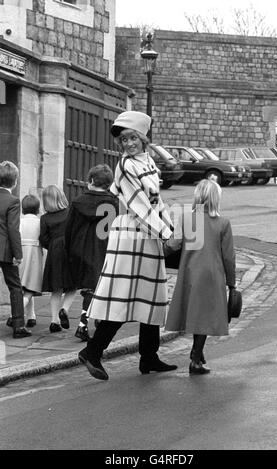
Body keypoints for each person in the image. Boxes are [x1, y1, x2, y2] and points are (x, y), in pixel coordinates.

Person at [79, 110, 177, 380]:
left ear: (143, 139)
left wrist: (170, 228)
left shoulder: (148, 163)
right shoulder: (125, 166)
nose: (128, 144)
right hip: (132, 234)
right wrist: (165, 233)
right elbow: (140, 205)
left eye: (132, 138)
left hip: (148, 235)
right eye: (124, 140)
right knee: (124, 296)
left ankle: (149, 356)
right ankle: (92, 351)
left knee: (151, 297)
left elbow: (157, 203)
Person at [164, 179, 236, 374]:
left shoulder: (187, 218)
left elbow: (173, 244)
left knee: (196, 314)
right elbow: (228, 257)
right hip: (212, 274)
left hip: (189, 272)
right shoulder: (223, 223)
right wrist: (232, 284)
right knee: (204, 316)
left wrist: (159, 253)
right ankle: (195, 358)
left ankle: (198, 354)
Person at [65, 164, 119, 341]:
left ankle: (87, 323)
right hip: (104, 248)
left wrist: (69, 250)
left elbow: (69, 229)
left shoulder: (78, 201)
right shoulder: (113, 203)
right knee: (101, 287)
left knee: (90, 288)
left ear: (91, 181)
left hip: (80, 249)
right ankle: (90, 322)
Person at [0, 161, 31, 338]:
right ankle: (18, 325)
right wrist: (18, 254)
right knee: (15, 287)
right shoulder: (13, 201)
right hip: (5, 250)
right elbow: (13, 229)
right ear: (15, 181)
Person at [39, 185, 77, 333]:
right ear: (61, 197)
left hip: (54, 252)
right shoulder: (70, 213)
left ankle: (54, 321)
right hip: (70, 249)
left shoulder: (44, 218)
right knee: (73, 285)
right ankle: (65, 309)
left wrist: (53, 246)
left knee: (56, 288)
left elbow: (43, 238)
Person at [18, 194, 44, 327]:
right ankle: (15, 313)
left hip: (21, 255)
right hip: (34, 255)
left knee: (23, 285)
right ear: (37, 209)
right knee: (31, 287)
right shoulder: (40, 222)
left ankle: (31, 316)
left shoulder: (19, 221)